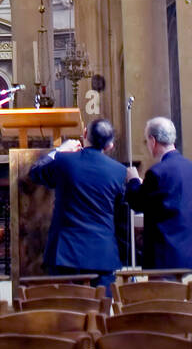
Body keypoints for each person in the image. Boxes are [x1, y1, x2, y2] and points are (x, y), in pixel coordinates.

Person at [28, 117, 128, 292]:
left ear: (84, 134)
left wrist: (59, 150)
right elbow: (121, 215)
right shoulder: (119, 171)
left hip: (65, 251)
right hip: (102, 252)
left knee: (68, 311)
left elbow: (36, 172)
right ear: (109, 145)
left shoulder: (65, 161)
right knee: (101, 311)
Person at [125, 116, 192, 274]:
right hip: (188, 251)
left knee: (161, 298)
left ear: (153, 140)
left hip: (164, 254)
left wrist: (133, 180)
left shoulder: (157, 172)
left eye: (147, 141)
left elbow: (138, 203)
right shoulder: (190, 167)